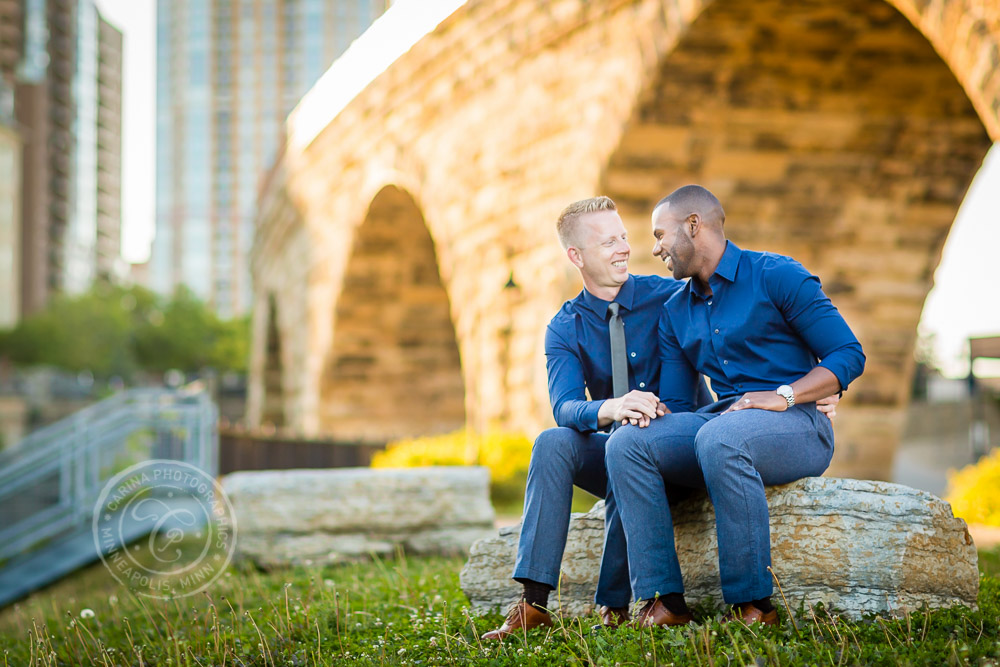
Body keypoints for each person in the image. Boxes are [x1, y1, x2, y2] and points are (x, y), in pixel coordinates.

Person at [605, 185, 865, 627]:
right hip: (722, 426)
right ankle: (663, 602)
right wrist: (651, 418)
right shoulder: (674, 309)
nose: (654, 249)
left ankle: (754, 606)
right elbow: (679, 403)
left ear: (694, 226)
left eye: (659, 235)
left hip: (798, 424)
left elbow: (847, 354)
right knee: (628, 443)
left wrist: (786, 395)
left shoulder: (776, 274)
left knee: (720, 436)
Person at [482, 196, 713, 640]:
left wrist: (802, 387)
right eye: (608, 242)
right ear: (576, 256)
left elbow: (740, 323)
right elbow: (566, 406)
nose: (624, 248)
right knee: (554, 442)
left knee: (630, 447)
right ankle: (533, 606)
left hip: (681, 446)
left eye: (624, 237)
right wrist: (612, 406)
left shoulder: (669, 296)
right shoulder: (564, 327)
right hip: (618, 448)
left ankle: (633, 601)